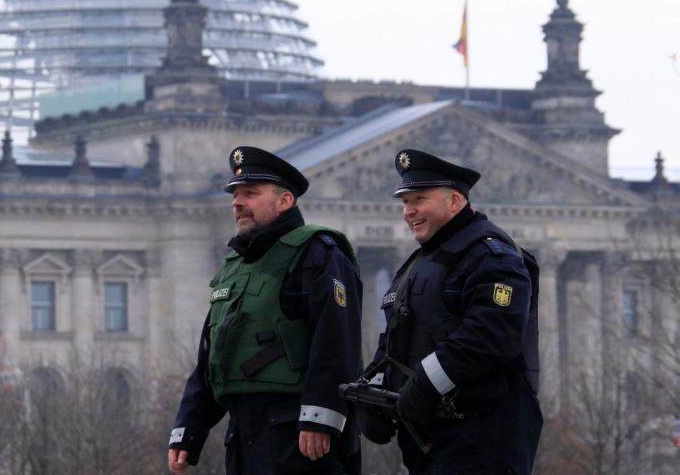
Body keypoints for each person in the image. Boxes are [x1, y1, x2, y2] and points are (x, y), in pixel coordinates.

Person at [167, 146, 364, 475]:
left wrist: (321, 416)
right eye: (235, 194)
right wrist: (188, 429)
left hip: (299, 432)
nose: (237, 202)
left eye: (251, 193)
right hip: (244, 433)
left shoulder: (318, 254)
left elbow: (337, 340)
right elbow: (214, 354)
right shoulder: (236, 264)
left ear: (284, 201)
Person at [360, 148, 543, 474]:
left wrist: (420, 387)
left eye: (419, 199)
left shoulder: (491, 256)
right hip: (429, 434)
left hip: (481, 435)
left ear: (455, 202)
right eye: (405, 202)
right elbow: (394, 340)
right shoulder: (420, 263)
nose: (408, 211)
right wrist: (375, 394)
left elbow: (490, 337)